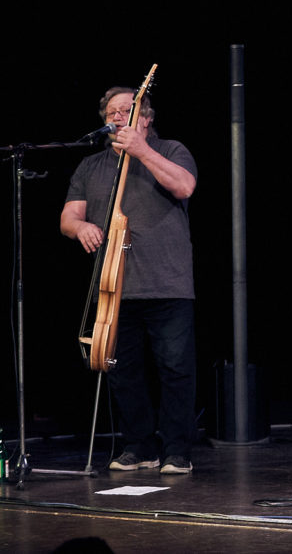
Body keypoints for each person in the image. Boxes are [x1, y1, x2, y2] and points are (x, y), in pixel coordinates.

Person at [61, 85, 198, 475]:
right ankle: (140, 447)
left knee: (175, 369)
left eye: (128, 111)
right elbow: (67, 218)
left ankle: (176, 451)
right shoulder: (91, 167)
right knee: (122, 369)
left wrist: (142, 150)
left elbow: (184, 186)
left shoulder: (170, 150)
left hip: (167, 281)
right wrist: (81, 227)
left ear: (147, 119)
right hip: (116, 284)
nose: (118, 118)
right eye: (112, 113)